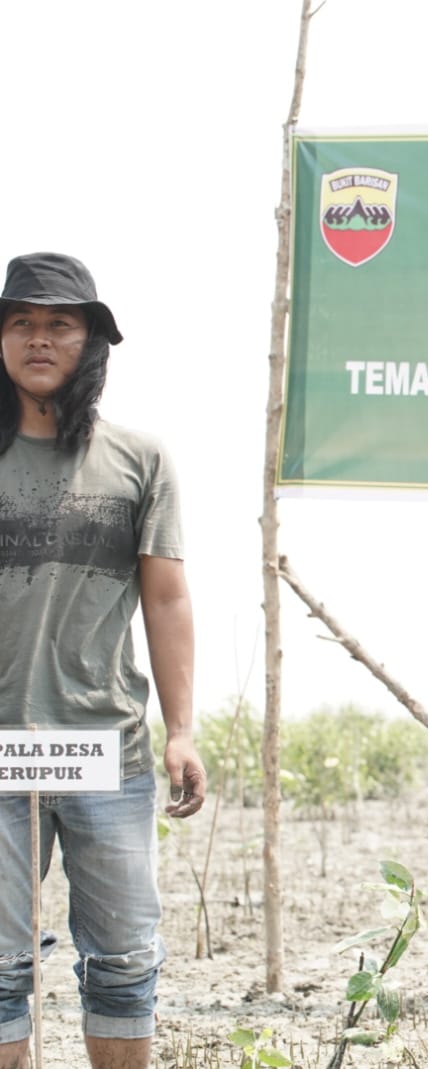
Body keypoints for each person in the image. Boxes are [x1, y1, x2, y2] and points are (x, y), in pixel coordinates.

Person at [0, 252, 206, 1069]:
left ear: (92, 343)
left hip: (104, 749)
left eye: (60, 324)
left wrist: (182, 728)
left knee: (122, 963)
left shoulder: (139, 462)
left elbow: (166, 599)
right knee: (0, 968)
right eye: (21, 322)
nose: (39, 338)